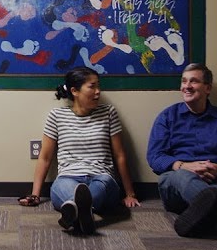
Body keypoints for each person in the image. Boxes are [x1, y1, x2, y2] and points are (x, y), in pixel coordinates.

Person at [18, 66, 141, 233]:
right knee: (62, 187)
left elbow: (120, 155)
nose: (98, 92)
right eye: (92, 86)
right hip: (68, 177)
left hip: (102, 177)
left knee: (100, 186)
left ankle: (75, 212)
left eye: (99, 86)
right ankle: (83, 214)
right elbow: (45, 158)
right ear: (75, 91)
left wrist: (130, 193)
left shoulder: (108, 113)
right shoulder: (56, 116)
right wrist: (35, 194)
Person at [146, 63, 217, 237]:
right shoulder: (167, 117)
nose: (186, 86)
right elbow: (154, 156)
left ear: (208, 88)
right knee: (184, 178)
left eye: (193, 81)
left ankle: (203, 216)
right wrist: (185, 167)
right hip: (177, 183)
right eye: (184, 81)